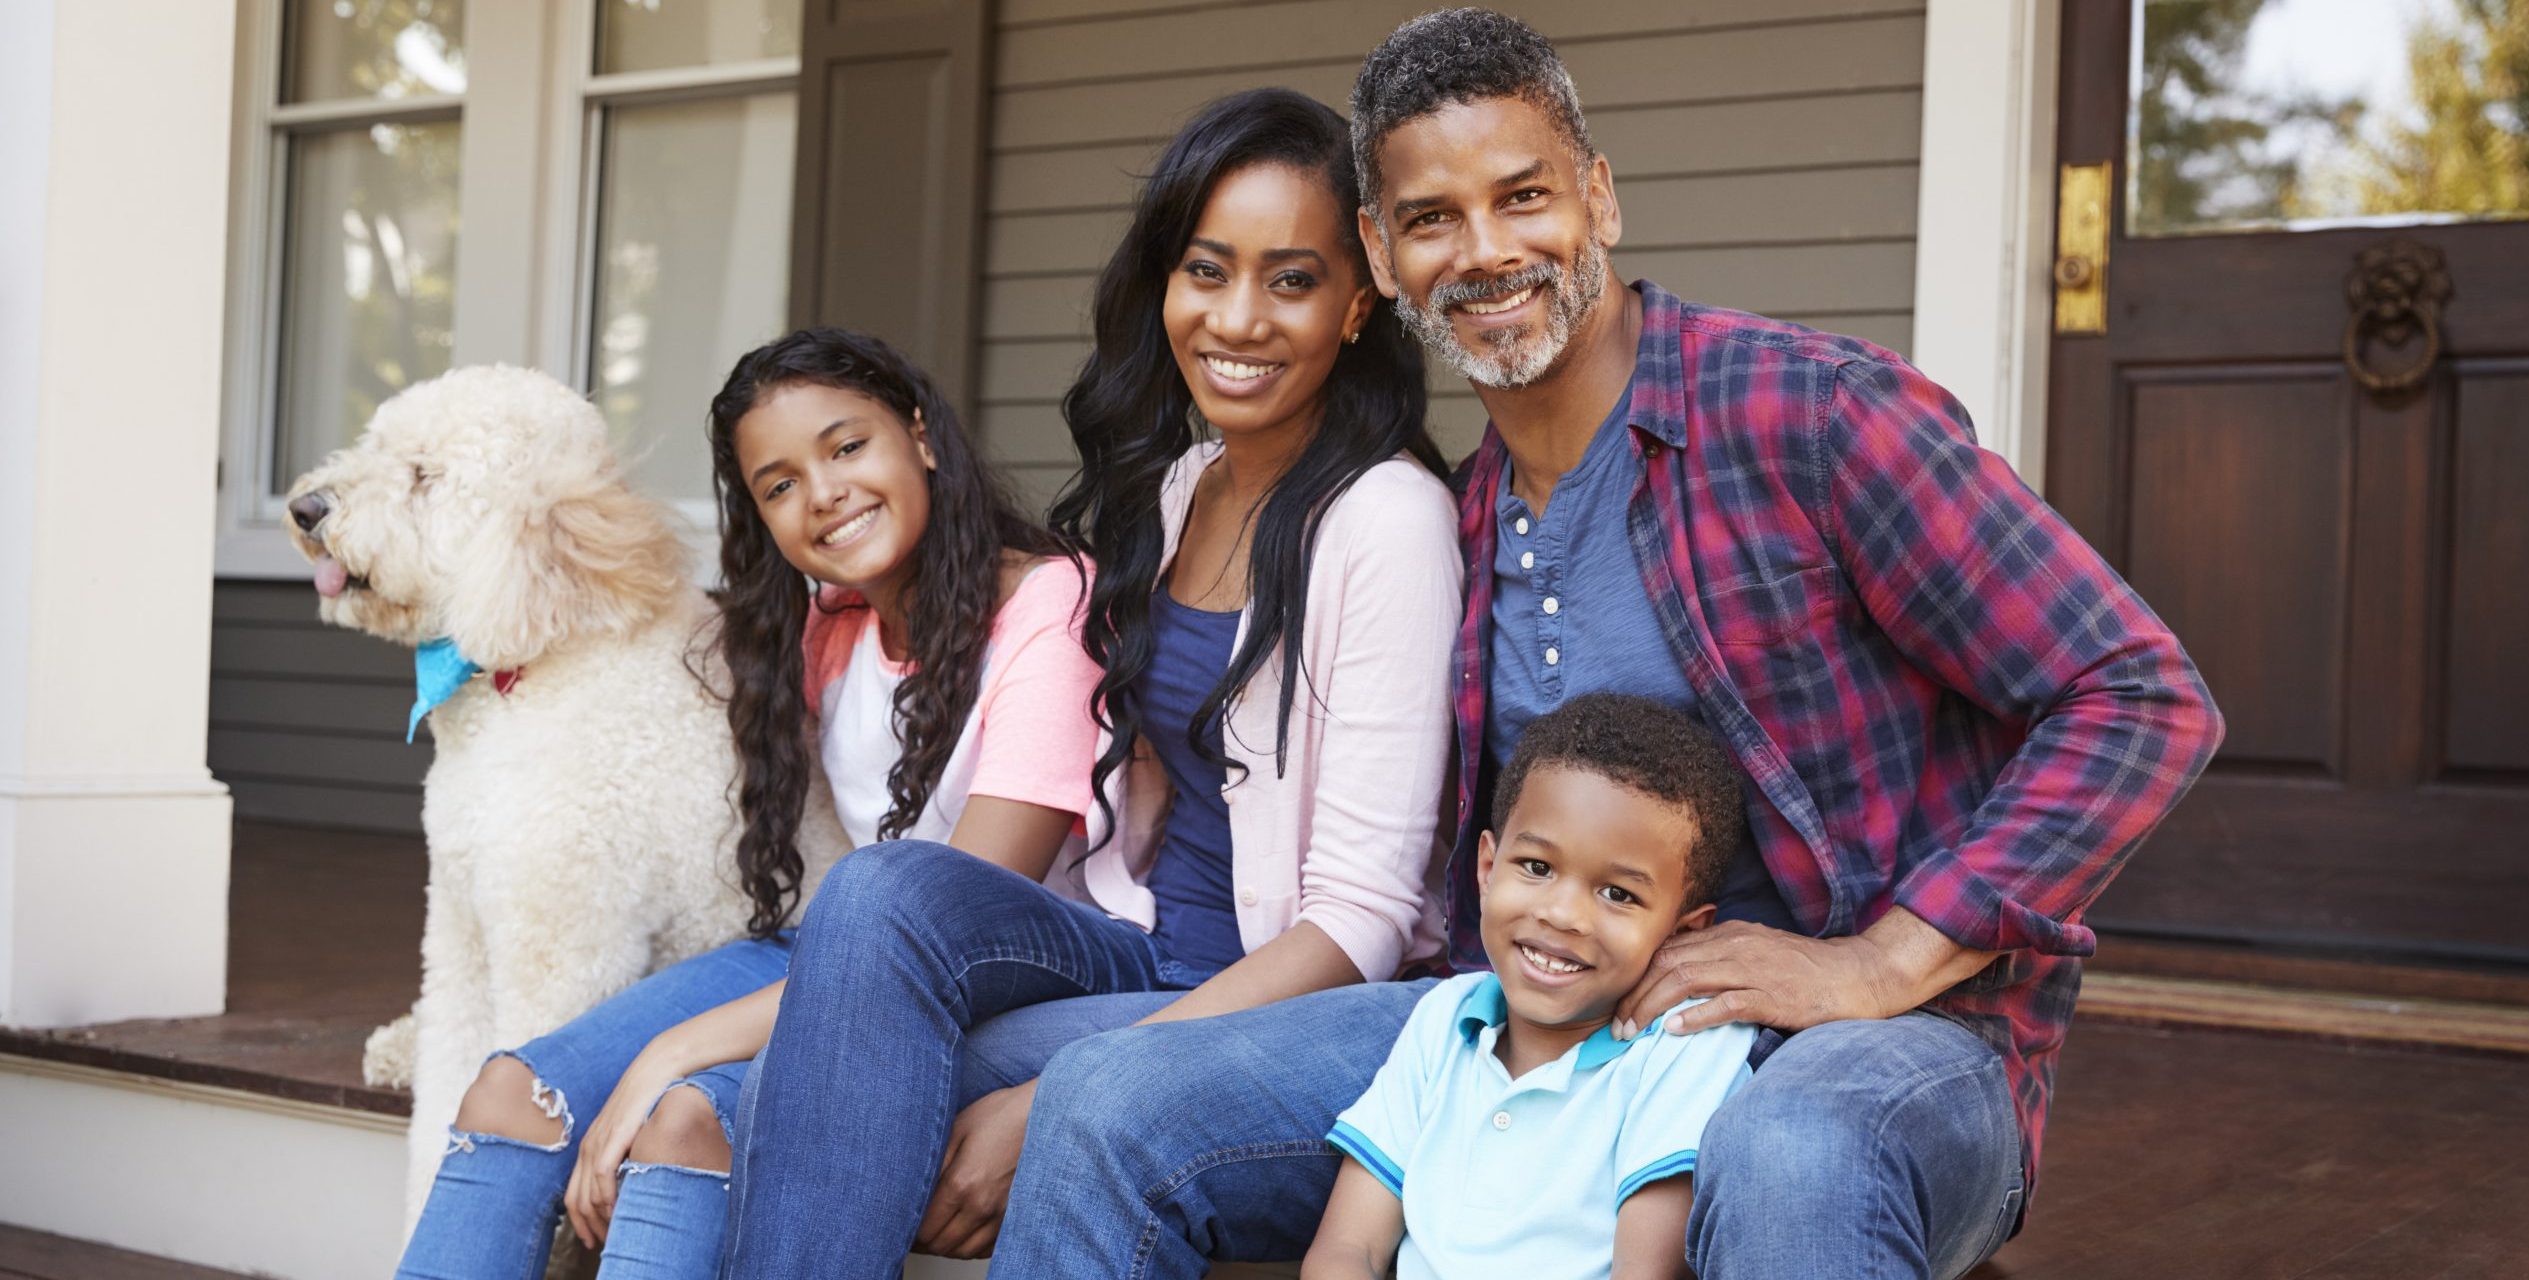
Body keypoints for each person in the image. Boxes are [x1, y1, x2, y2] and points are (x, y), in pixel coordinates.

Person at [993, 11, 2226, 1279]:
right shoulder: (1455, 517)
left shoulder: (1806, 415)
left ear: (1599, 197)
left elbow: (2136, 692)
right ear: (1379, 250)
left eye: (1522, 196)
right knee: (1112, 1104)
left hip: (1868, 1042)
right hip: (1533, 1025)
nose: (1484, 252)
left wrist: (1879, 959)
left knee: (1795, 1148)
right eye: (1430, 219)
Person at [716, 87, 1461, 1277]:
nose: (1238, 317)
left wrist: (1073, 1078)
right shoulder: (1184, 487)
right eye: (1206, 270)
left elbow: (1359, 923)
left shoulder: (1387, 520)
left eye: (1291, 279)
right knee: (870, 916)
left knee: (879, 1095)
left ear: (1360, 300)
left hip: (1293, 1007)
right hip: (1141, 950)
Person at [393, 327, 1103, 1279]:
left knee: (685, 1110)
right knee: (515, 1094)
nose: (826, 494)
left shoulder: (1050, 607)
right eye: (779, 484)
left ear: (922, 437)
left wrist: (668, 1052)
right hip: (855, 950)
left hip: (1033, 964)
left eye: (848, 446)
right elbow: (642, 645)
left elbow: (953, 912)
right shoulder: (829, 628)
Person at [1305, 694, 1756, 1280]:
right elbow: (1349, 1249)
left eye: (1619, 894)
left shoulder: (1685, 1048)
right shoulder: (1444, 1022)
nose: (1563, 914)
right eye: (1537, 868)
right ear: (1488, 868)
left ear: (1684, 930)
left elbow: (1645, 1273)